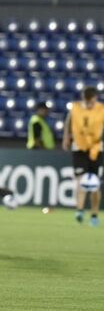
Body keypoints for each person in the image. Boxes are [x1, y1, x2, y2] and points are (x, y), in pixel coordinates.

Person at [62, 86, 104, 227]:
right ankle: (79, 211)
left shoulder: (101, 109)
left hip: (96, 149)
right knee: (81, 180)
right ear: (84, 99)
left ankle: (94, 215)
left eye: (92, 102)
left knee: (94, 184)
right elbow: (68, 121)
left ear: (95, 99)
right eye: (88, 102)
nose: (90, 104)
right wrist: (66, 137)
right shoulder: (75, 108)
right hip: (79, 147)